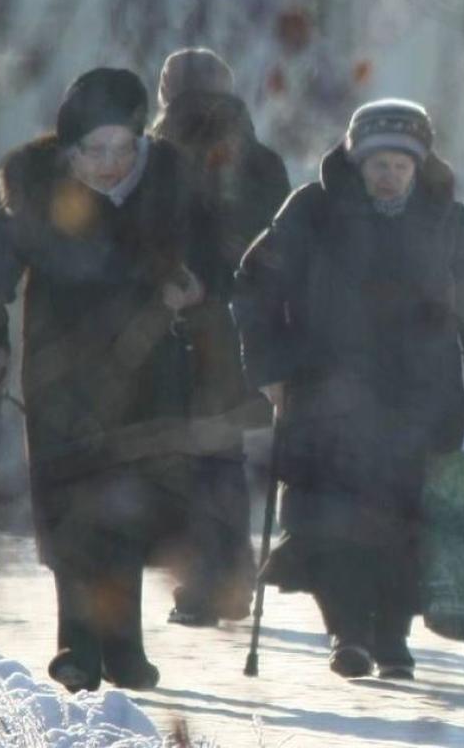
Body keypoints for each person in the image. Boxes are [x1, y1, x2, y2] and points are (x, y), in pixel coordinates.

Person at [233, 98, 464, 679]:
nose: (388, 176)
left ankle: (392, 637)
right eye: (378, 164)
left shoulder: (446, 219)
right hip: (325, 397)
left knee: (407, 523)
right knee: (329, 521)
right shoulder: (312, 210)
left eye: (401, 166)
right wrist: (272, 368)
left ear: (418, 166)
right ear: (356, 161)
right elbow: (255, 285)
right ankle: (348, 633)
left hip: (422, 400)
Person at [0, 67, 205, 692]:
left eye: (124, 148)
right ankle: (79, 646)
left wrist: (196, 287)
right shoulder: (38, 195)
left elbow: (221, 255)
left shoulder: (169, 190)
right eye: (95, 150)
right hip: (61, 380)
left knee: (130, 509)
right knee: (72, 508)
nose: (111, 164)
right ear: (69, 150)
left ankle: (123, 647)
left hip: (147, 376)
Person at [150, 47, 291, 626]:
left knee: (188, 456)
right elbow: (273, 247)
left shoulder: (157, 157)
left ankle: (208, 580)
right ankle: (228, 578)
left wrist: (189, 283)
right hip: (240, 325)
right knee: (221, 454)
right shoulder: (262, 160)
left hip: (178, 323)